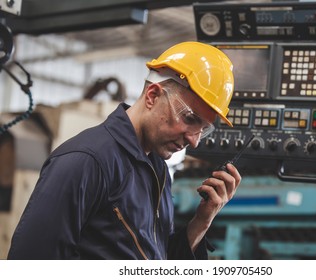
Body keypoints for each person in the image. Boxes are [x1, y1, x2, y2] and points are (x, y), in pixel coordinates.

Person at [7, 41, 240, 260]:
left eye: (203, 129)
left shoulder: (157, 168)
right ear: (153, 96)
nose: (194, 140)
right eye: (189, 118)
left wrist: (201, 222)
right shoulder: (86, 162)